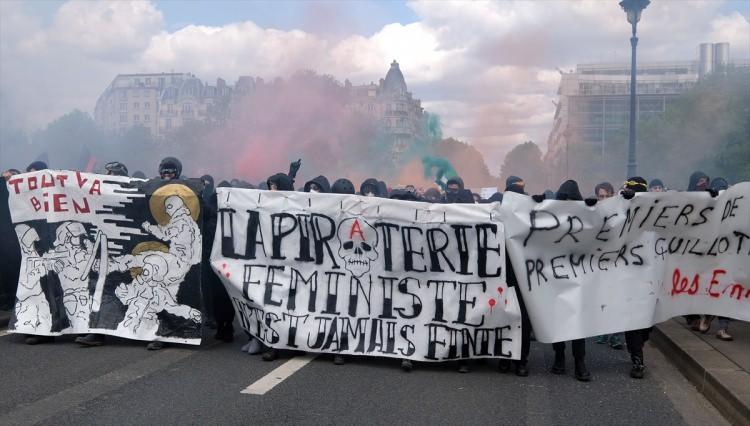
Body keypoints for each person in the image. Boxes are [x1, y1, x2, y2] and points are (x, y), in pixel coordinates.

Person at [549, 180, 591, 382]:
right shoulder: (551, 218)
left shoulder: (585, 217)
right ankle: (559, 356)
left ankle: (579, 361)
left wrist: (594, 211)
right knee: (558, 320)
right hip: (555, 277)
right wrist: (533, 204)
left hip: (578, 278)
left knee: (577, 322)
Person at [619, 176, 654, 378]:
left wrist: (712, 201)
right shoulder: (622, 205)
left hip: (650, 277)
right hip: (628, 276)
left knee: (647, 324)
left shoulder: (654, 209)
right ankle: (637, 359)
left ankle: (639, 345)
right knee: (633, 321)